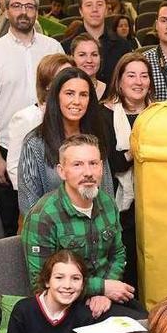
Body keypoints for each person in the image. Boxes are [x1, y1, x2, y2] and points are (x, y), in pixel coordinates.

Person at [0, 0, 64, 236]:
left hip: (52, 144)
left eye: (29, 6)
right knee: (12, 224)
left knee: (52, 219)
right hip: (9, 148)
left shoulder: (53, 48)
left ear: (37, 10)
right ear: (6, 11)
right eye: (16, 6)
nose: (23, 12)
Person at [21, 133, 138, 319]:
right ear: (61, 171)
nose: (88, 173)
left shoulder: (108, 203)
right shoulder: (43, 216)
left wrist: (106, 290)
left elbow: (118, 253)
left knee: (147, 324)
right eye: (78, 165)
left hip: (106, 297)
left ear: (101, 167)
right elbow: (41, 281)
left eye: (94, 163)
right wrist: (101, 287)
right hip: (64, 303)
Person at [17, 67, 113, 215]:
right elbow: (29, 206)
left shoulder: (96, 137)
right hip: (53, 231)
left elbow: (107, 194)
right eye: (69, 94)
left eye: (83, 95)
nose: (77, 101)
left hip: (95, 229)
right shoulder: (34, 143)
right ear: (57, 97)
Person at [100, 53, 154, 290]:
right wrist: (137, 149)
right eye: (131, 75)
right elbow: (112, 163)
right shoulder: (104, 114)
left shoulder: (160, 113)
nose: (138, 81)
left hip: (155, 206)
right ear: (119, 81)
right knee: (128, 270)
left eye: (144, 76)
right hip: (121, 208)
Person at [6, 53, 75, 191]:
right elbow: (15, 169)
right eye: (61, 77)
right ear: (47, 84)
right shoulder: (26, 118)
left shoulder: (77, 115)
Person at [61, 0, 132, 84]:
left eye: (99, 4)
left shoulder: (123, 46)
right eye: (89, 5)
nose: (95, 9)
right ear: (81, 11)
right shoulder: (65, 47)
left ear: (106, 9)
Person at [70, 33, 107, 99]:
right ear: (72, 58)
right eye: (82, 55)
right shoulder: (64, 90)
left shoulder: (111, 92)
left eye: (94, 55)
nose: (89, 60)